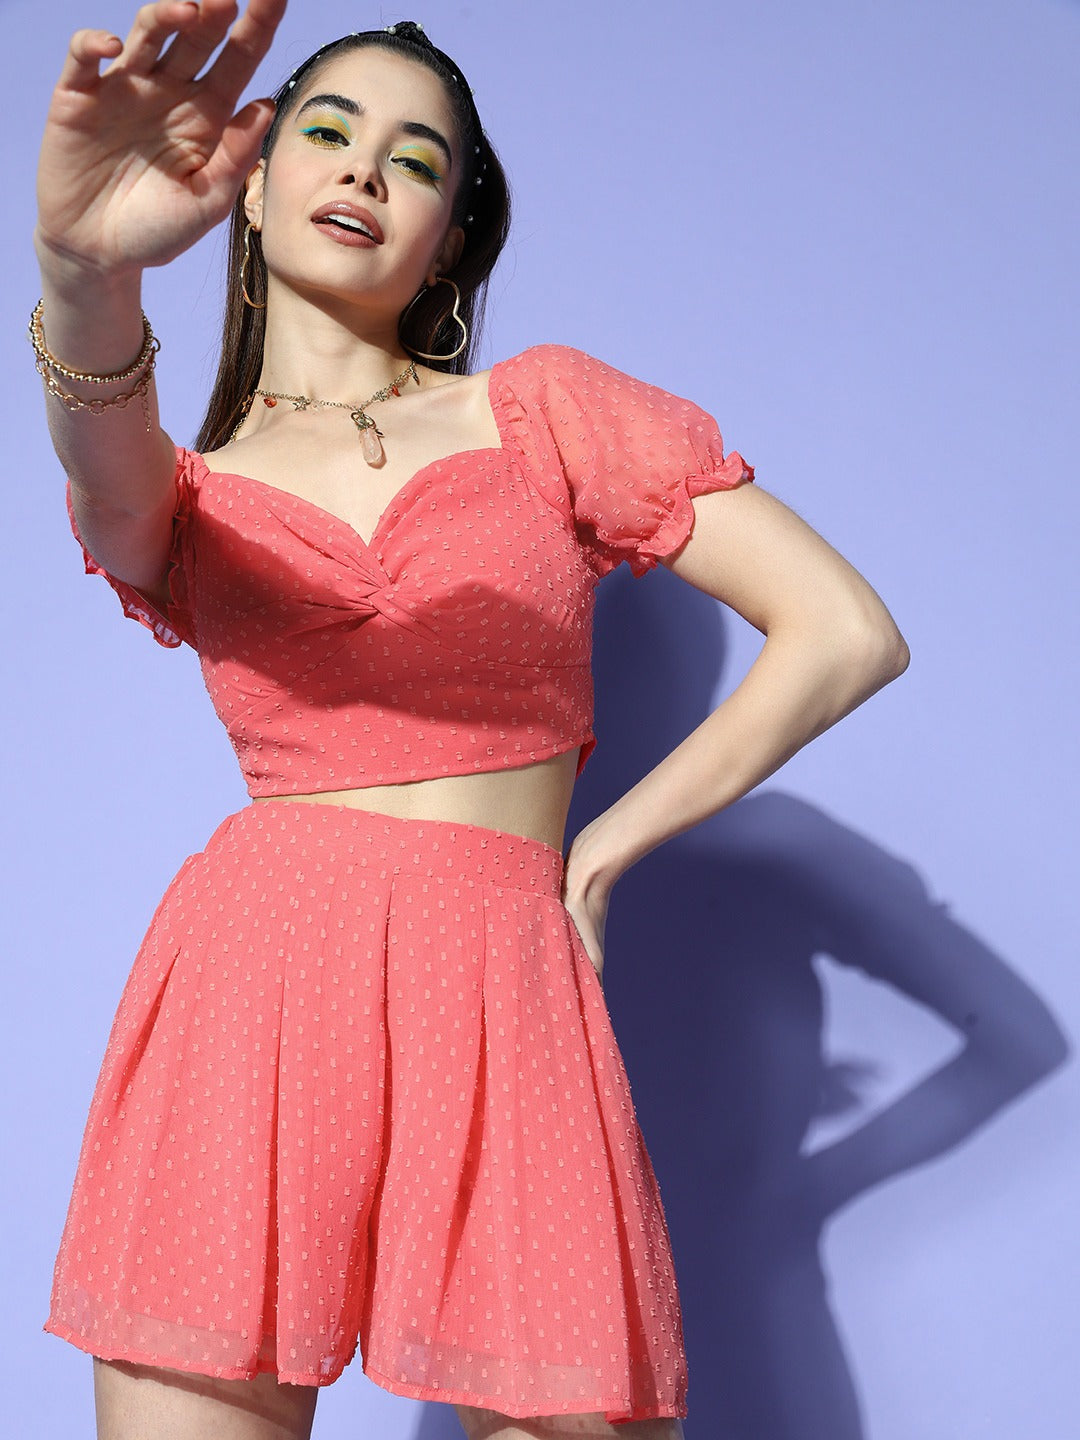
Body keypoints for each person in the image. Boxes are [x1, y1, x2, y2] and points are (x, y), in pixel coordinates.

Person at [32, 3, 910, 1437]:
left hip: (503, 983)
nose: (365, 169)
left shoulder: (549, 412)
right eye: (328, 132)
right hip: (255, 984)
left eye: (417, 158)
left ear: (447, 236)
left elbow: (846, 631)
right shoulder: (181, 494)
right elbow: (102, 453)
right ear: (250, 183)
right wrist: (83, 269)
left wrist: (601, 853)